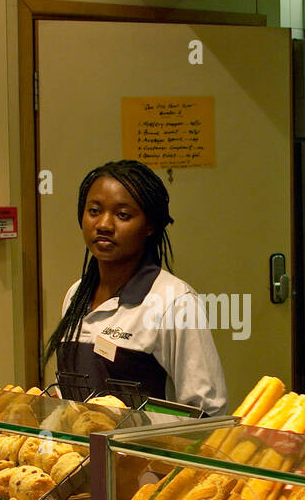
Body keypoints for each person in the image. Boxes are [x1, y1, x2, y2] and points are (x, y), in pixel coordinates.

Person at [45, 160, 228, 414]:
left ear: (150, 226)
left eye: (122, 215)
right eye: (94, 211)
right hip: (82, 452)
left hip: (147, 452)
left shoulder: (174, 301)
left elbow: (206, 411)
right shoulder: (76, 295)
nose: (104, 225)